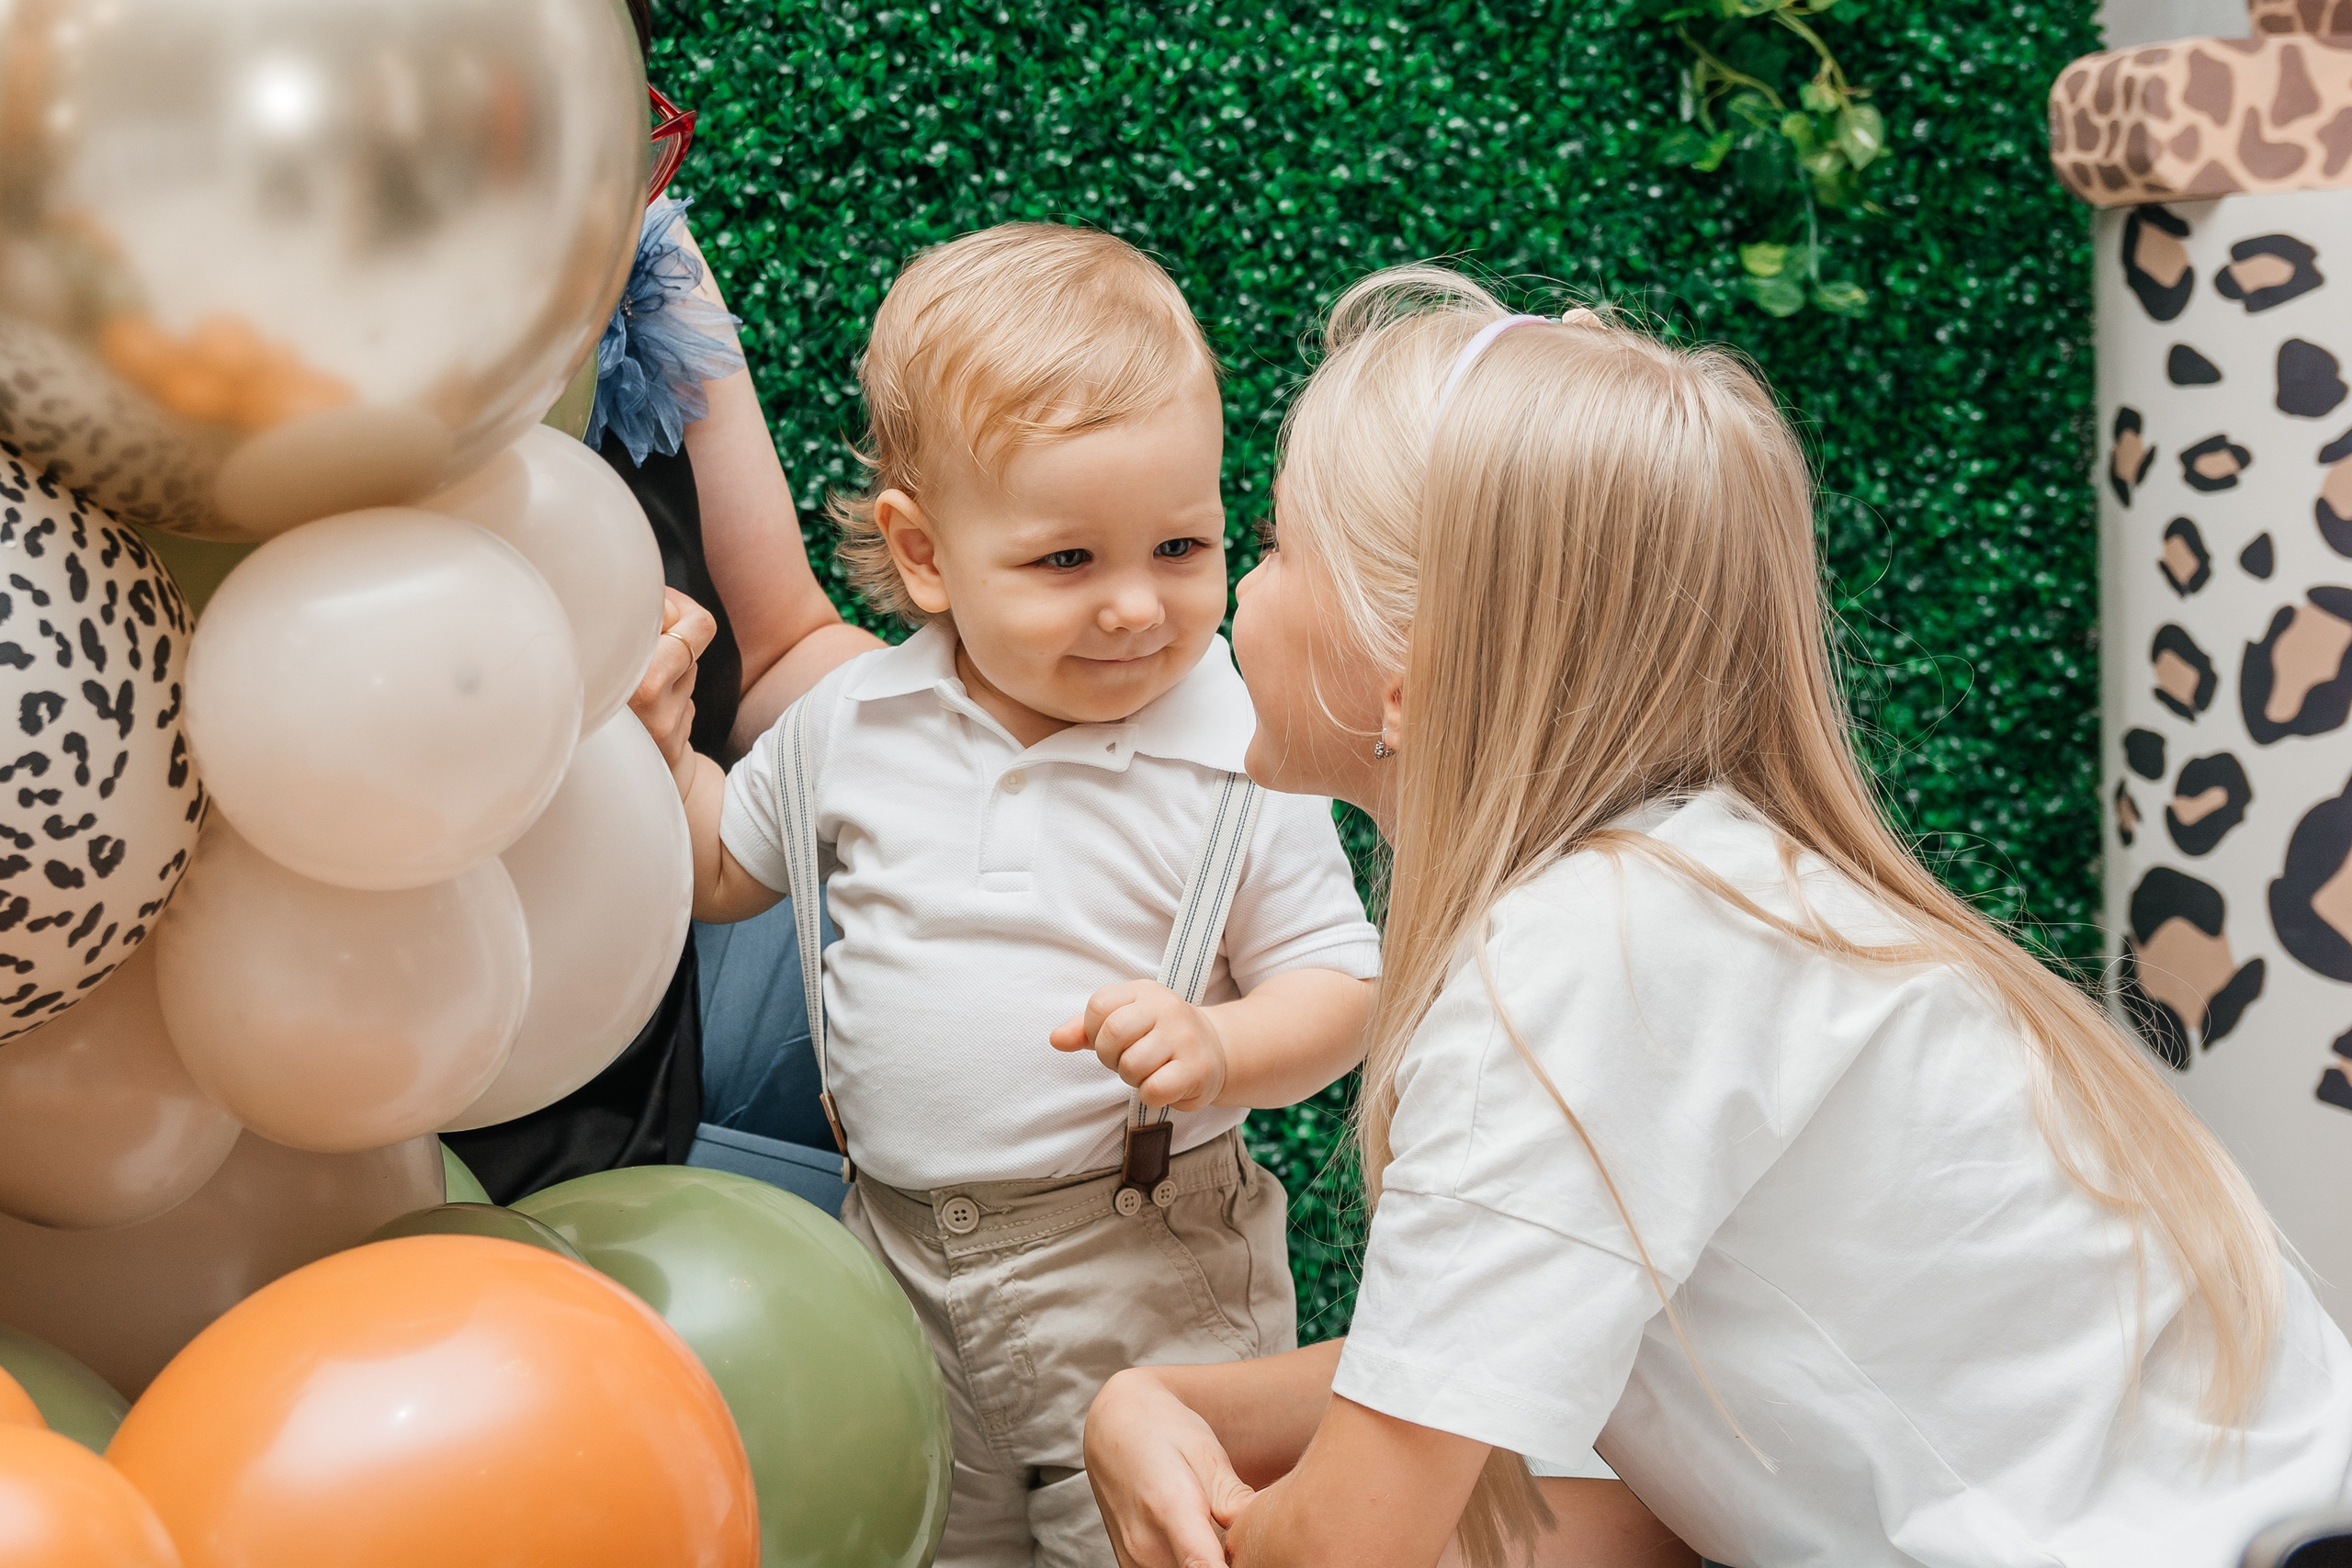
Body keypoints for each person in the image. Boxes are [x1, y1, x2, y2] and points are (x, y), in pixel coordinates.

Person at [1079, 266, 2352, 1568]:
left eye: (1285, 546)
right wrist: (1168, 1404)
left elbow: (1352, 1551)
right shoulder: (1689, 902)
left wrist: (1213, 1496)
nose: (1241, 589)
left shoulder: (1581, 968)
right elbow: (1553, 1455)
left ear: (1402, 682)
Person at [638, 222, 1385, 1568]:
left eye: (1181, 546)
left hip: (1145, 1275)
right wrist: (660, 744)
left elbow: (1343, 985)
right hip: (890, 1267)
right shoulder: (852, 722)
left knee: (1152, 1543)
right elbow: (717, 869)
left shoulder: (1241, 741)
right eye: (1066, 563)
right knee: (931, 1539)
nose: (1136, 608)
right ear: (924, 557)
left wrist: (1222, 1045)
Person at [443, 0, 878, 1201]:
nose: (580, 194)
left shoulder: (644, 255)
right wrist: (563, 711)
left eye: (610, 133)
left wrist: (1011, 717)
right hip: (375, 1047)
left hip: (647, 1015)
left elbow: (785, 644)